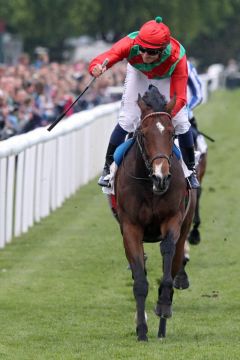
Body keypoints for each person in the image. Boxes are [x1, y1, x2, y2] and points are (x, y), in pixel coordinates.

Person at [89, 16, 200, 189]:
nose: (145, 54)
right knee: (127, 119)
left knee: (181, 121)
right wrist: (96, 67)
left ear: (163, 50)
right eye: (142, 49)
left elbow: (180, 98)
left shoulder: (178, 57)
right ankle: (107, 169)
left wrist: (163, 116)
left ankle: (190, 170)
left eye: (151, 52)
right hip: (138, 73)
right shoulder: (130, 43)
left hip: (166, 78)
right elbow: (109, 56)